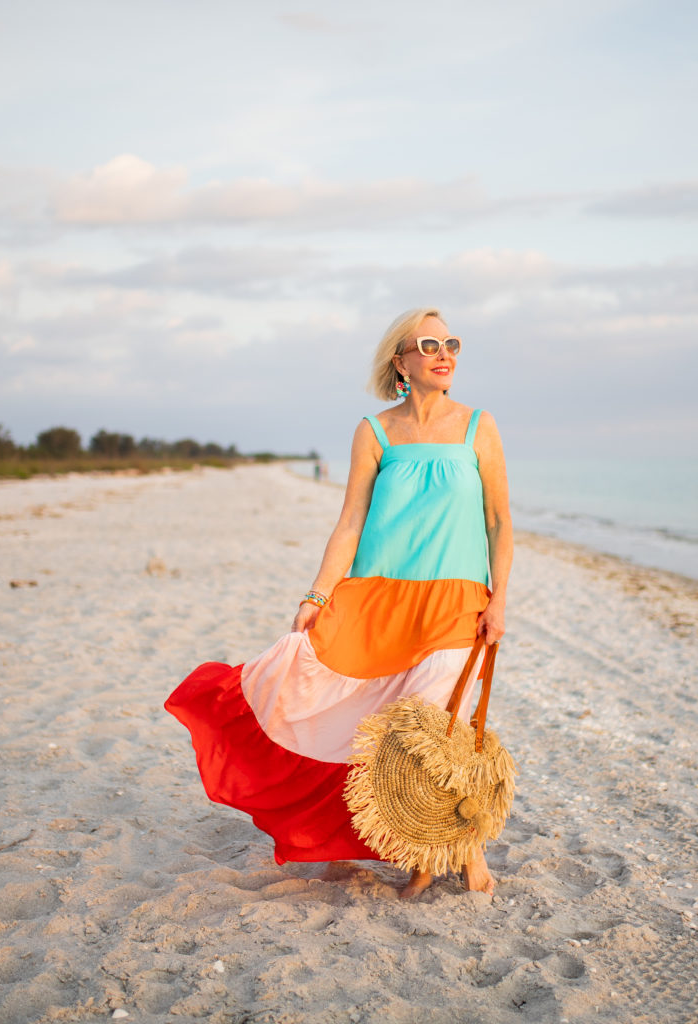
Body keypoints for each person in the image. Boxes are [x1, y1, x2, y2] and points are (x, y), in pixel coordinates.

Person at [166, 307, 513, 898]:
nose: (444, 351)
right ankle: (416, 853)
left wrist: (499, 600)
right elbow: (350, 521)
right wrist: (317, 594)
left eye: (451, 342)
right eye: (428, 343)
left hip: (455, 599)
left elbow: (500, 520)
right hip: (376, 600)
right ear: (400, 362)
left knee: (442, 729)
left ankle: (465, 851)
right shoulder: (374, 431)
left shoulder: (478, 426)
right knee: (346, 716)